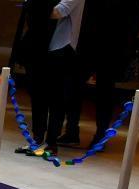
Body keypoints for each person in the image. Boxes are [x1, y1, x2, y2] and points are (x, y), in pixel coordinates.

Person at [59, 0, 139, 148]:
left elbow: (134, 22)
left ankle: (88, 133)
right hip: (96, 45)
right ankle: (80, 132)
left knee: (98, 91)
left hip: (105, 46)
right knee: (84, 89)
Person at [11, 0, 58, 154]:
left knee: (42, 96)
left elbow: (40, 17)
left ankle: (44, 140)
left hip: (43, 48)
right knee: (39, 96)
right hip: (39, 47)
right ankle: (40, 138)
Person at [40, 0, 85, 155]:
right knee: (47, 96)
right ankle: (41, 138)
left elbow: (59, 11)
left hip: (63, 48)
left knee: (56, 99)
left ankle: (51, 141)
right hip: (53, 46)